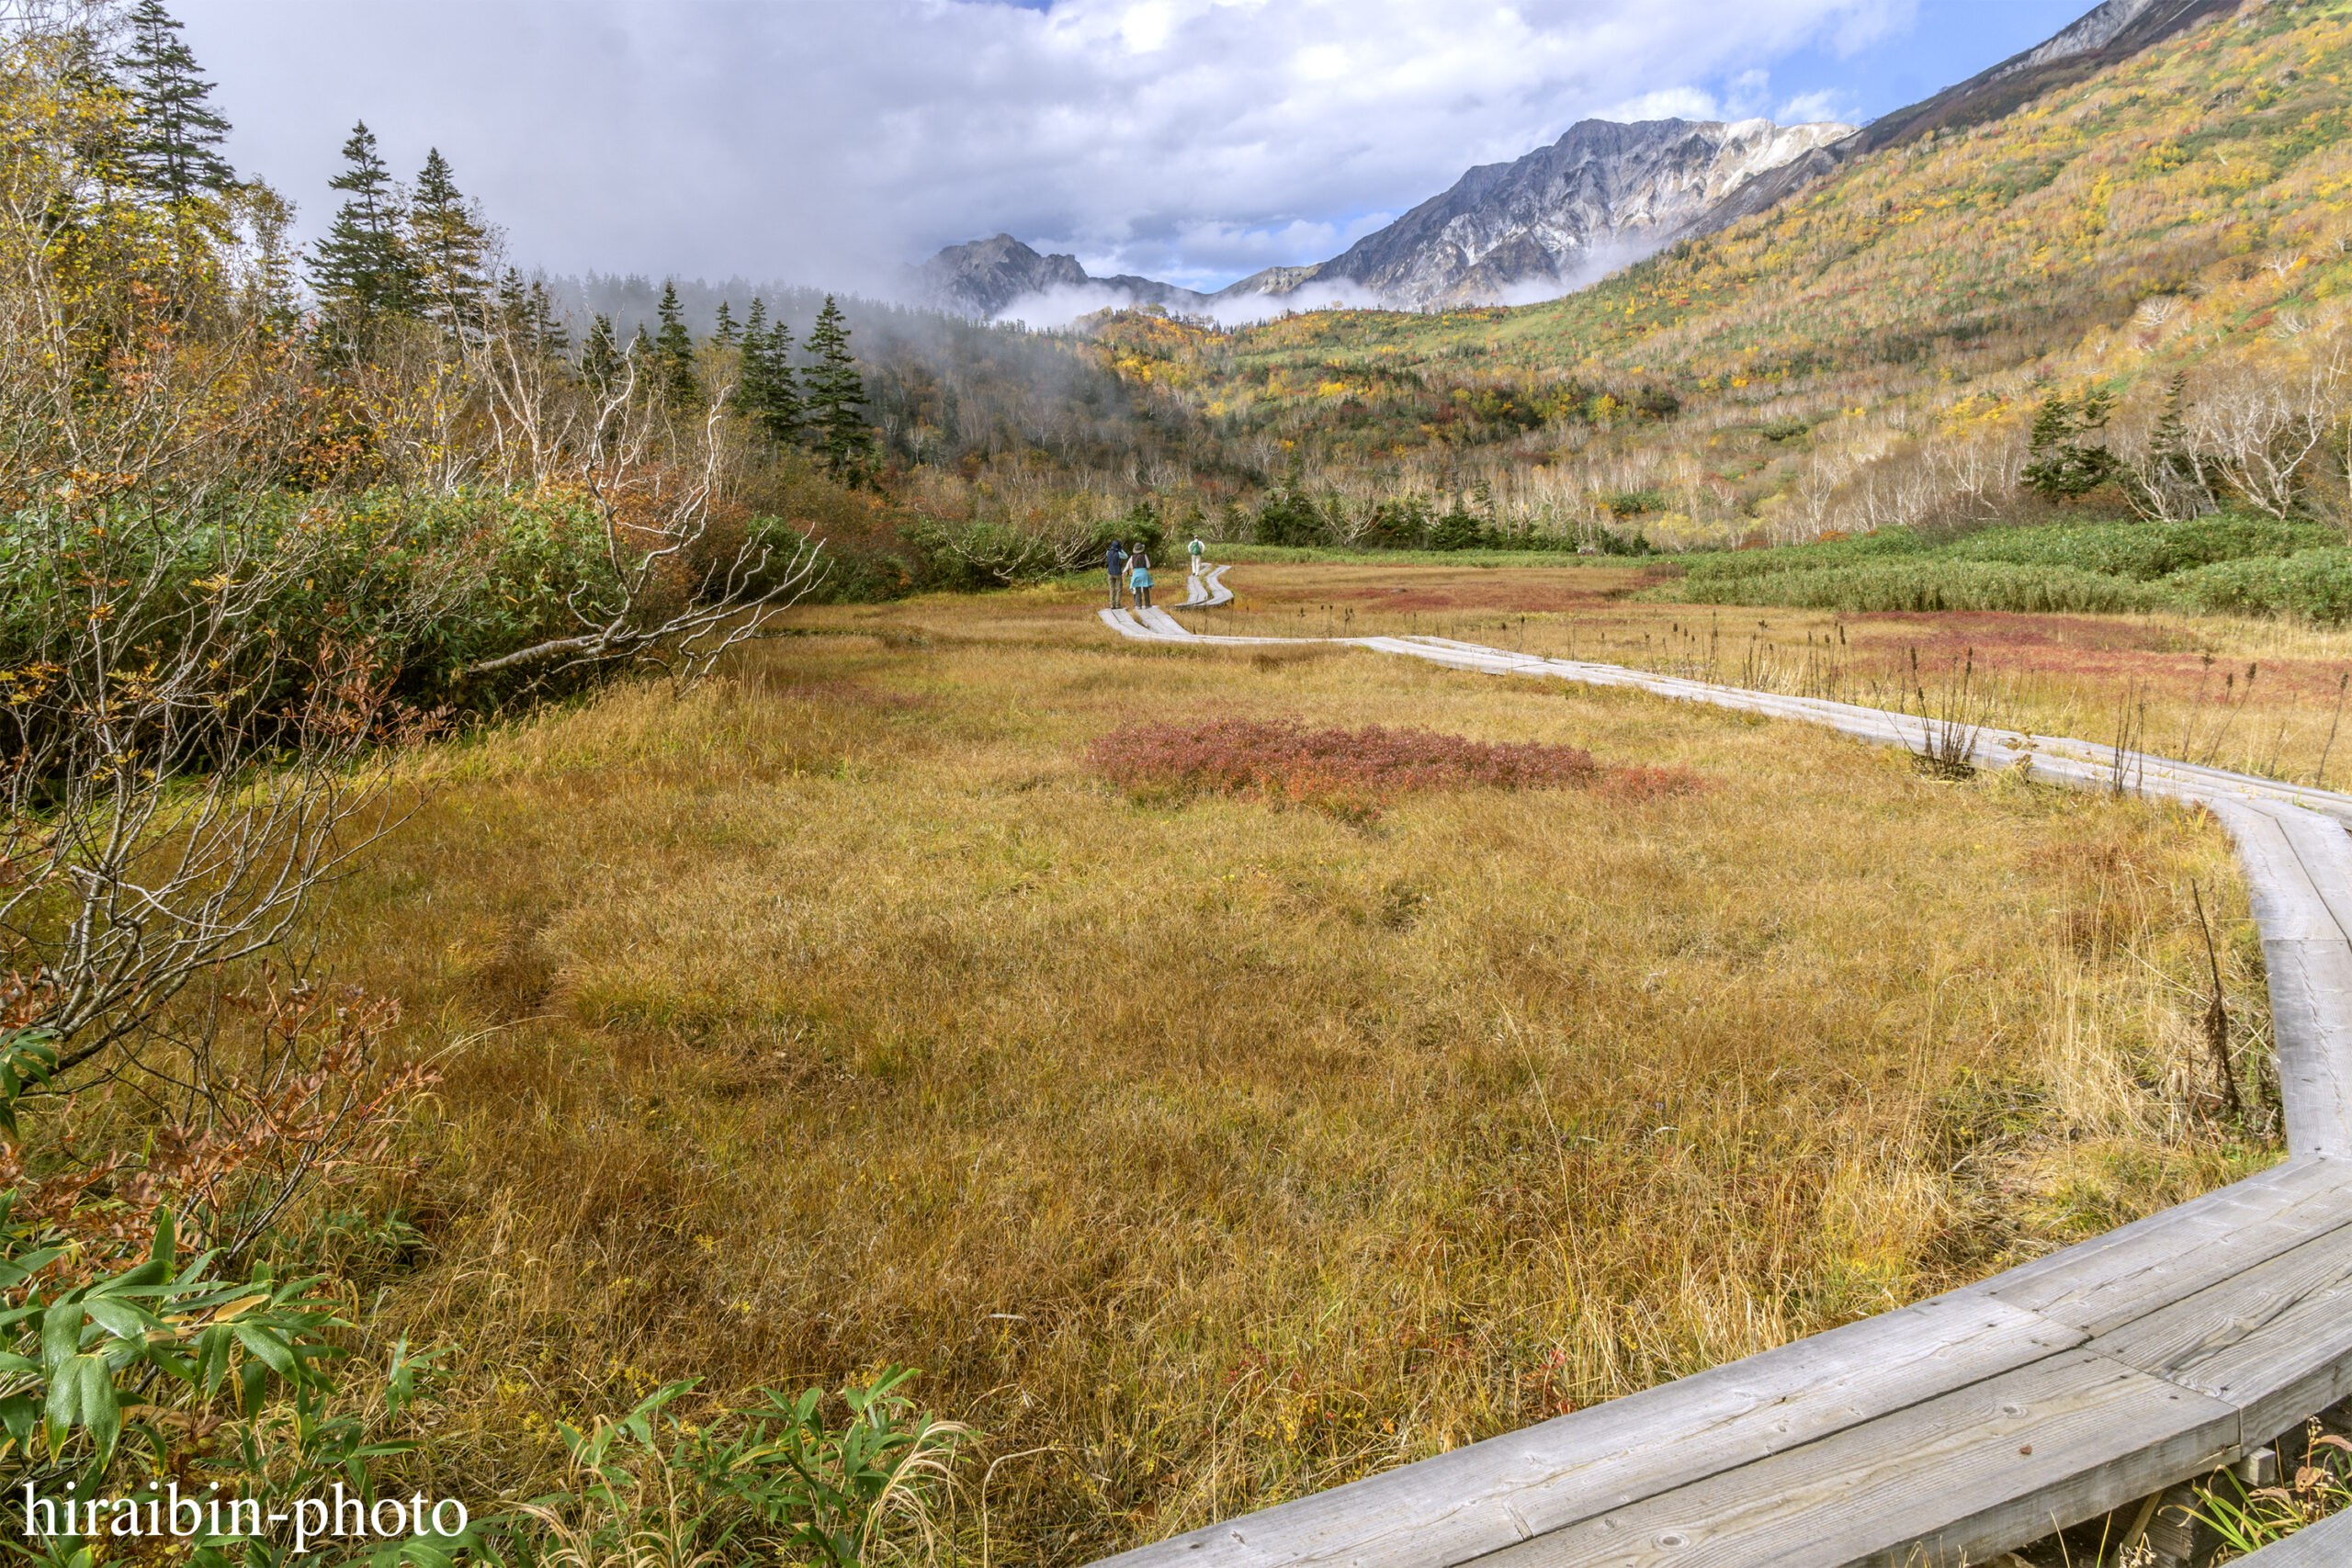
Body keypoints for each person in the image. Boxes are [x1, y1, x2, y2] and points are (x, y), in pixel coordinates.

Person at [1128, 545, 1154, 611]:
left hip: (1136, 573)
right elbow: (1148, 565)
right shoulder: (1144, 556)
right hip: (1143, 573)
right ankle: (1147, 604)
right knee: (1146, 589)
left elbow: (1131, 567)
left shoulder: (1132, 557)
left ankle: (1139, 605)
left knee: (1138, 589)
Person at [1105, 539, 1127, 609]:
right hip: (1117, 573)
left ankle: (1112, 605)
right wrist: (1121, 550)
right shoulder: (1119, 554)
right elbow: (1126, 556)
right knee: (1119, 589)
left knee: (1112, 589)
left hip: (1110, 573)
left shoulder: (1107, 552)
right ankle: (1118, 605)